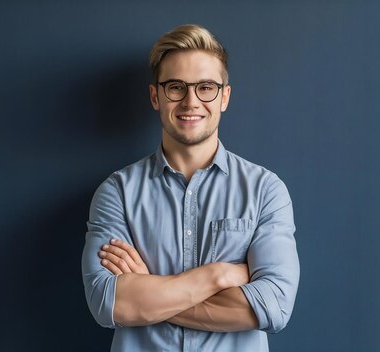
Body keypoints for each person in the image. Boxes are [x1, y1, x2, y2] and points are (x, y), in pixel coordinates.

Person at [81, 24, 300, 351]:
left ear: (224, 96)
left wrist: (149, 295)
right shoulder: (117, 193)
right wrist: (218, 276)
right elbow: (108, 304)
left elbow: (275, 306)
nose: (191, 101)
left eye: (206, 87)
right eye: (176, 87)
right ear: (156, 96)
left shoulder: (266, 191)